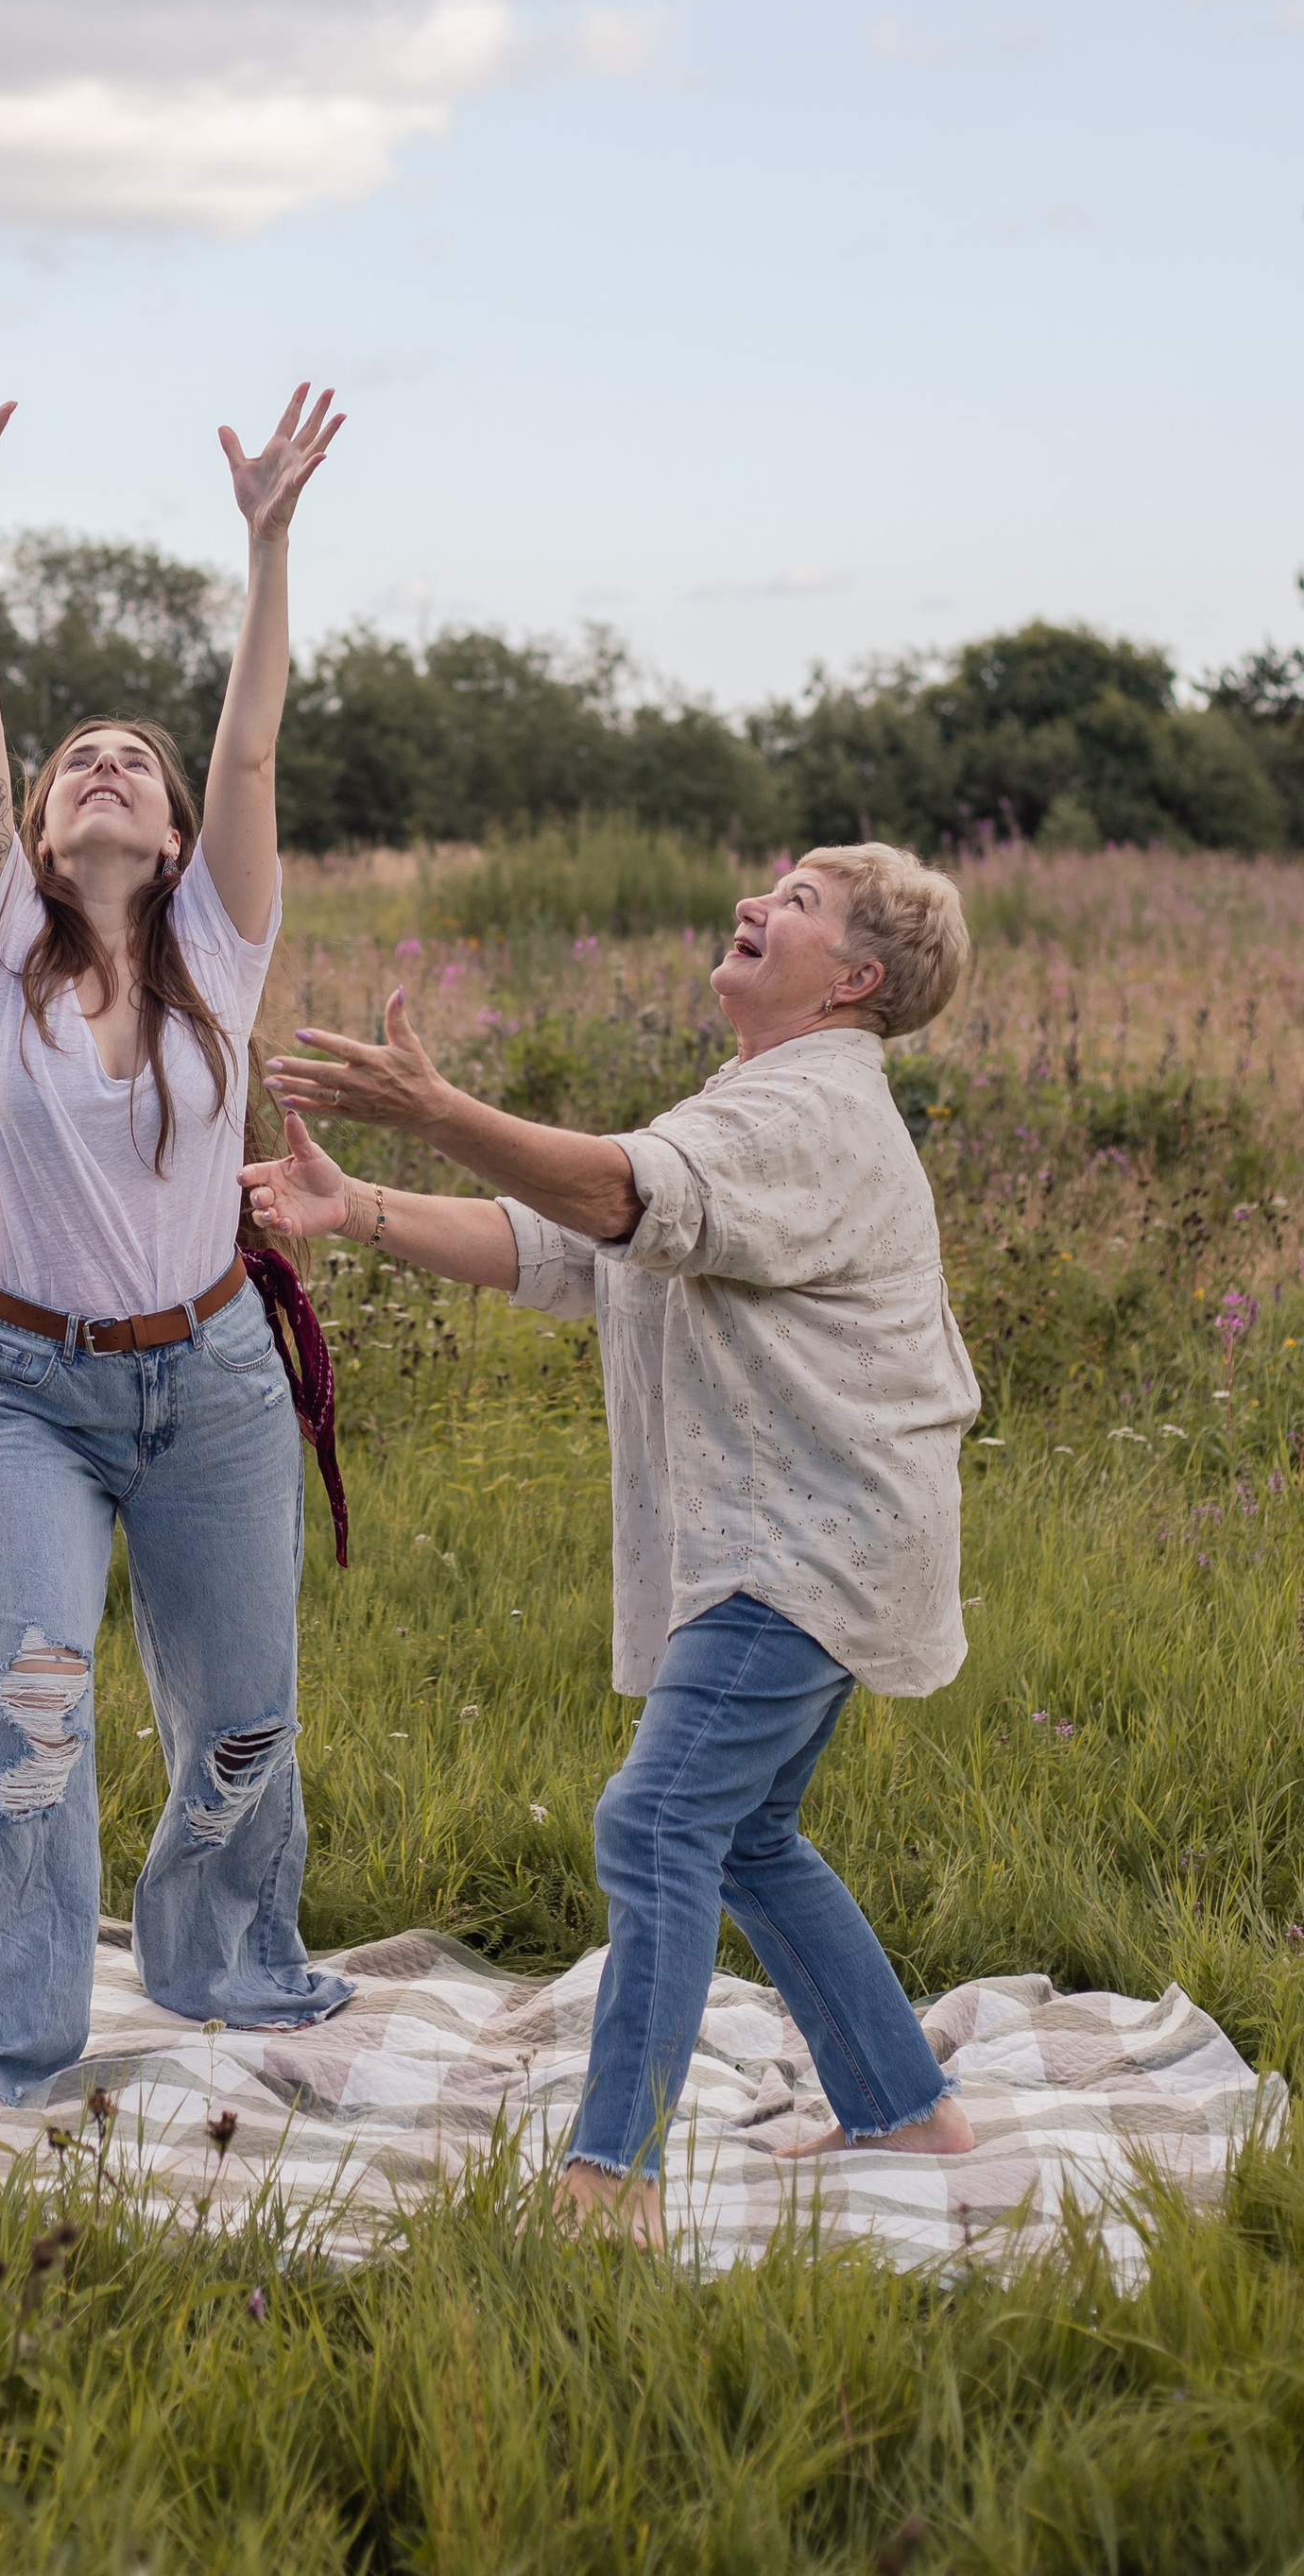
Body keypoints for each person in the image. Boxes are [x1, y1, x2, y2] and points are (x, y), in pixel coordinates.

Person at [244, 844, 980, 2241]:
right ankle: (905, 2107)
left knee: (656, 1820)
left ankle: (609, 2186)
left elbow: (624, 1199)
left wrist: (438, 1107)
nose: (761, 903)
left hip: (804, 1548)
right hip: (820, 1536)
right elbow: (574, 1245)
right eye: (773, 884)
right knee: (747, 1834)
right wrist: (362, 1209)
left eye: (803, 903)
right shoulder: (755, 1102)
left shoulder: (810, 1114)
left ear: (858, 979)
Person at [0, 350, 353, 2099]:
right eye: (80, 760)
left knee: (241, 1717)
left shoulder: (218, 944)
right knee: (38, 1697)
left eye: (127, 767)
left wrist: (269, 542)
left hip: (215, 1384)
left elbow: (252, 734)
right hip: (24, 1389)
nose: (98, 771)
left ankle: (225, 1964)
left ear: (166, 835)